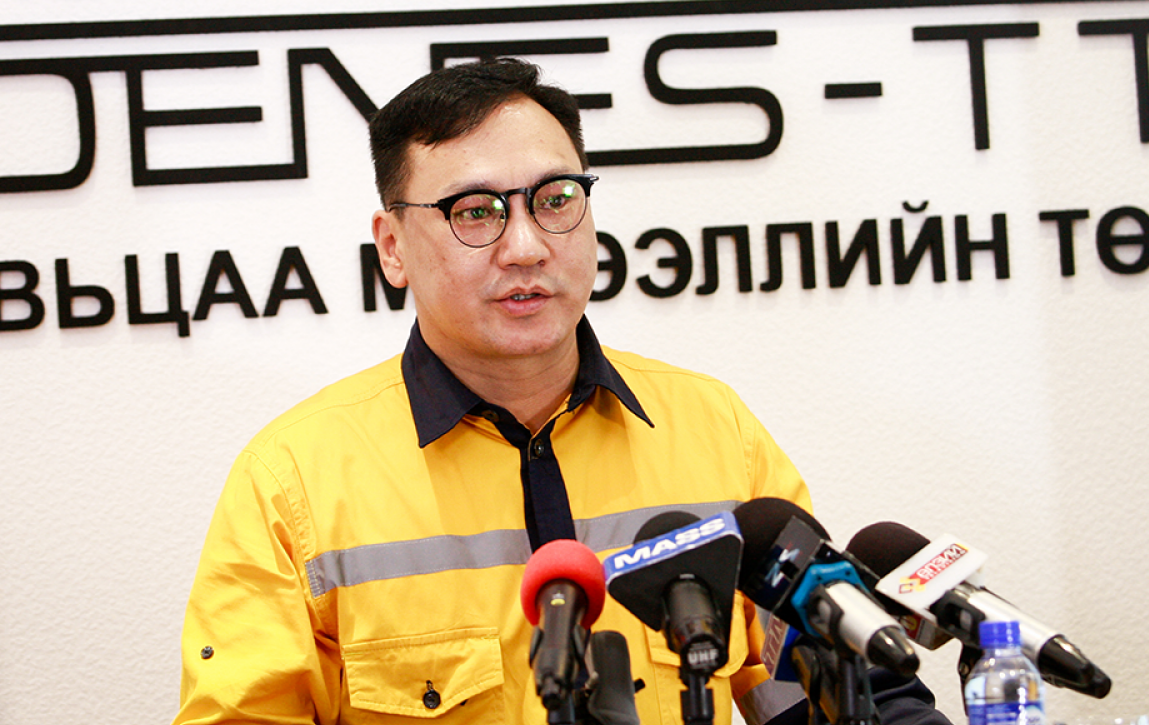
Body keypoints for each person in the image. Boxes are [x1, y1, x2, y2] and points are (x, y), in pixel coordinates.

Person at [173, 58, 946, 725]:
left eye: (555, 198)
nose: (525, 246)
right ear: (392, 247)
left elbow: (816, 689)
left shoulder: (714, 429)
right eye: (474, 212)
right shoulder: (294, 482)